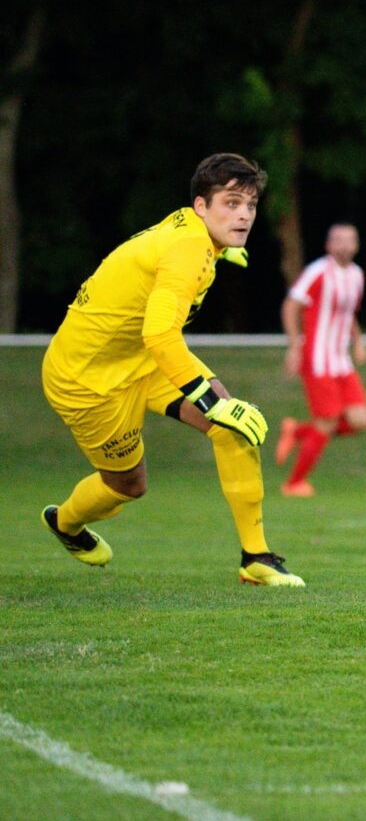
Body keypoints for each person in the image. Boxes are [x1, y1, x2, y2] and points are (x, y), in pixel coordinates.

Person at [37, 153, 304, 586]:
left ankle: (256, 557)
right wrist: (208, 401)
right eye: (231, 203)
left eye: (250, 205)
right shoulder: (189, 248)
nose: (243, 215)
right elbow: (160, 334)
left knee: (233, 427)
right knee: (128, 486)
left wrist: (219, 252)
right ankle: (64, 522)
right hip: (87, 379)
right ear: (202, 206)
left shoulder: (193, 232)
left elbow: (160, 277)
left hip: (141, 359)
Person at [275, 222, 366, 497]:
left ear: (356, 245)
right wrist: (294, 346)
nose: (344, 245)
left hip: (342, 361)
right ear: (329, 245)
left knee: (360, 421)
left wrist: (359, 340)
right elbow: (290, 305)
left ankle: (298, 432)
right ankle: (294, 483)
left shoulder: (356, 275)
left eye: (350, 240)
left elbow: (348, 312)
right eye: (338, 240)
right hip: (317, 358)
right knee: (327, 421)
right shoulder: (317, 271)